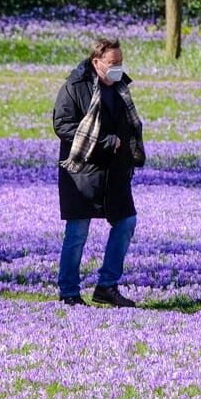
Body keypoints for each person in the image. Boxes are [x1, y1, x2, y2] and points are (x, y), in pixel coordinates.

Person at [52, 36, 143, 307]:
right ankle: (68, 291)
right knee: (78, 233)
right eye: (112, 63)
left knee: (126, 222)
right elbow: (62, 125)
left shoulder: (120, 87)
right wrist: (103, 141)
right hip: (83, 171)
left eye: (120, 62)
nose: (117, 68)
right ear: (96, 62)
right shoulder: (75, 86)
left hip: (114, 171)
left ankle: (107, 286)